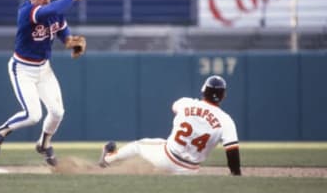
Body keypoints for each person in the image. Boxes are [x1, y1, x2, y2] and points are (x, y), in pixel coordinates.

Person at [0, 0, 91, 166]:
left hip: (44, 69)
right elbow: (49, 10)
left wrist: (72, 43)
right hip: (22, 69)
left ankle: (44, 145)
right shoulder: (27, 11)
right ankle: (0, 132)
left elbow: (65, 37)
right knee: (33, 115)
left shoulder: (56, 13)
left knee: (58, 112)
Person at [98, 75, 241, 176]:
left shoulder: (186, 103)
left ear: (204, 90)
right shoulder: (226, 120)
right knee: (162, 142)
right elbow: (232, 153)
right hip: (190, 171)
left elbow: (174, 107)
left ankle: (107, 159)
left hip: (166, 158)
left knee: (138, 145)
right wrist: (236, 175)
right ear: (223, 96)